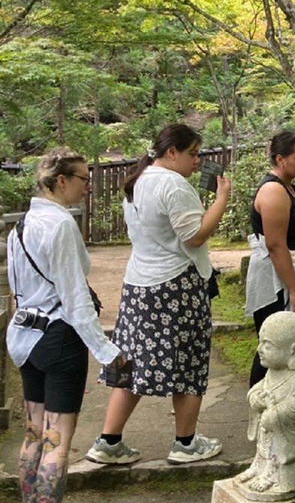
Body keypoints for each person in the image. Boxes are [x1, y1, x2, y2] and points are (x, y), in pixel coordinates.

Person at [86, 124, 231, 465]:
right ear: (171, 152)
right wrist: (222, 199)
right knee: (189, 361)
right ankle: (186, 443)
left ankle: (109, 441)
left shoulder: (138, 182)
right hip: (177, 286)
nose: (198, 161)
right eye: (193, 153)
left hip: (139, 285)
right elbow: (194, 237)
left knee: (133, 361)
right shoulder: (172, 184)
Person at [6, 148, 125, 503]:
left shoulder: (21, 225)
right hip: (58, 339)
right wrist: (107, 352)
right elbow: (74, 299)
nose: (88, 186)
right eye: (83, 179)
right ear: (61, 181)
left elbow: (19, 288)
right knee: (57, 440)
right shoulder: (60, 225)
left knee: (33, 432)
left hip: (26, 336)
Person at [245, 130, 295, 387]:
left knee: (290, 344)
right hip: (277, 279)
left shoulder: (290, 188)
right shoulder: (273, 191)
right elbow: (276, 245)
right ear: (281, 159)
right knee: (273, 343)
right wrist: (294, 290)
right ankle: (259, 404)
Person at [235, 312, 295, 499]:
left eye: (267, 345)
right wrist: (254, 397)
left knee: (276, 453)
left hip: (281, 433)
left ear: (293, 351)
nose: (259, 349)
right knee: (263, 449)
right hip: (267, 428)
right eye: (260, 342)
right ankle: (259, 468)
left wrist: (273, 413)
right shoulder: (272, 371)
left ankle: (276, 477)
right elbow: (259, 387)